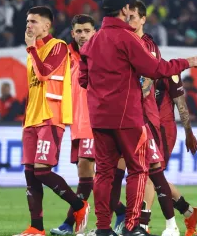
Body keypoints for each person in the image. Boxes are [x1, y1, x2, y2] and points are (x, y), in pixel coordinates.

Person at [79, 0, 197, 236]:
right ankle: (133, 226)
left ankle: (103, 228)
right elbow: (156, 69)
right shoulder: (127, 38)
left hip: (99, 118)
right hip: (127, 117)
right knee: (138, 170)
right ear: (124, 10)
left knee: (103, 173)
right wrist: (186, 62)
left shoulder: (92, 42)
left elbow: (84, 79)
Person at [128, 0, 197, 236]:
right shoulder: (127, 48)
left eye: (132, 17)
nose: (128, 21)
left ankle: (144, 223)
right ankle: (188, 212)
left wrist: (189, 132)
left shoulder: (158, 60)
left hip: (162, 126)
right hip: (137, 123)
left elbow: (180, 100)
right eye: (125, 17)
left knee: (150, 171)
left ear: (143, 20)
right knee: (153, 175)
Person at [15, 6, 90, 236]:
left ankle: (79, 206)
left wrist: (31, 49)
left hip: (51, 117)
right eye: (28, 21)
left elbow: (44, 73)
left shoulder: (57, 46)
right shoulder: (32, 51)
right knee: (30, 174)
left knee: (42, 171)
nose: (29, 25)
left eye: (34, 22)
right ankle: (36, 227)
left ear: (46, 26)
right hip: (31, 120)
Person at [51, 14, 127, 235]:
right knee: (87, 178)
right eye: (78, 31)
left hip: (96, 122)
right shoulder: (67, 54)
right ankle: (120, 210)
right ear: (72, 33)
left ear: (95, 32)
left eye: (87, 30)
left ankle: (70, 223)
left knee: (88, 174)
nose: (83, 35)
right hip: (77, 123)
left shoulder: (103, 53)